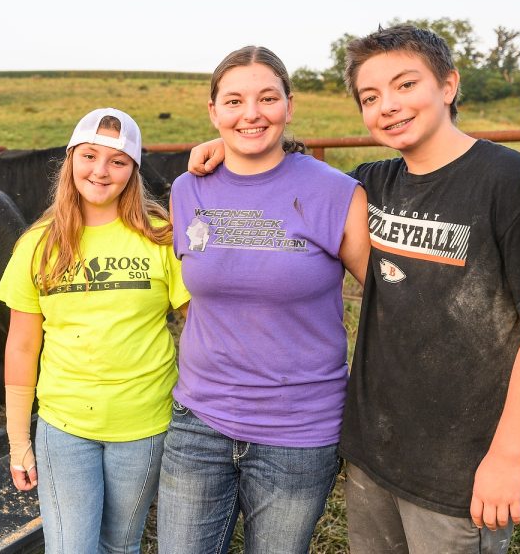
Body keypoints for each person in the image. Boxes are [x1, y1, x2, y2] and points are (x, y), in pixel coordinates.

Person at [189, 26, 520, 553]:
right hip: (377, 449)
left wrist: (508, 456)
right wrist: (234, 140)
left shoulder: (510, 181)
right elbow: (292, 181)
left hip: (462, 456)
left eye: (405, 85)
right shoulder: (374, 183)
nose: (388, 106)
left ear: (448, 85)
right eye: (371, 98)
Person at [158, 46, 369, 554]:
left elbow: (387, 303)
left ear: (289, 105)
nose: (251, 113)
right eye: (234, 101)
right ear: (214, 112)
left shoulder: (336, 193)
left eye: (267, 98)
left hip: (298, 429)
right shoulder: (189, 189)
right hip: (198, 421)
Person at [0, 108, 190, 553]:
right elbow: (22, 346)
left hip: (146, 425)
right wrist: (18, 441)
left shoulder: (162, 236)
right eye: (89, 156)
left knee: (120, 547)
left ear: (133, 171)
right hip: (66, 426)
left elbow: (200, 324)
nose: (100, 171)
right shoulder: (38, 244)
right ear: (70, 161)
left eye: (118, 161)